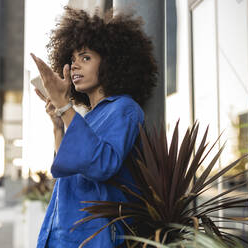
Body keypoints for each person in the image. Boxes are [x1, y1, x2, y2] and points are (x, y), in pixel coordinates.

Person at [31, 6, 158, 247]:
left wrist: (65, 107)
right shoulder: (86, 117)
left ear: (111, 63)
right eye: (73, 60)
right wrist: (58, 125)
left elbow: (102, 165)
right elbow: (66, 172)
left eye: (85, 58)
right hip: (62, 235)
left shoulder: (124, 108)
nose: (75, 66)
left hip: (94, 238)